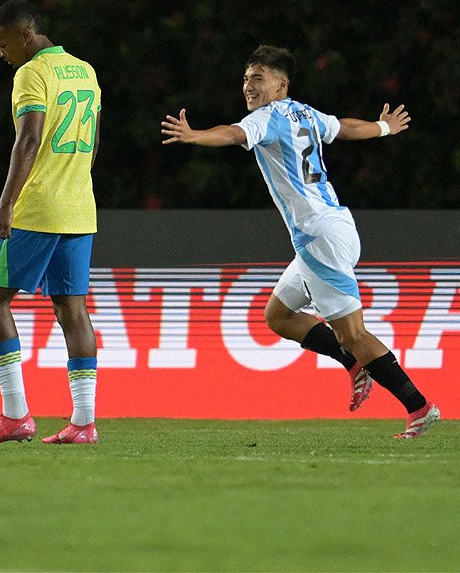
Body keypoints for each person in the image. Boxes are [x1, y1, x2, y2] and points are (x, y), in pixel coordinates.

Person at [160, 44, 439, 439]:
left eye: (258, 79)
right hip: (331, 229)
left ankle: (419, 407)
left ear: (280, 85)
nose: (249, 87)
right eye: (245, 79)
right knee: (278, 316)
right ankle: (353, 363)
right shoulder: (306, 113)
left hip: (319, 237)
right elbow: (344, 126)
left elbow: (234, 133)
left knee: (353, 334)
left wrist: (194, 136)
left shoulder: (267, 118)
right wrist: (384, 128)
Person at [0, 0, 103, 446]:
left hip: (37, 208)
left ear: (25, 36)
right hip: (79, 207)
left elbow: (28, 140)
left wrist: (5, 206)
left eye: (2, 45)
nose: (0, 54)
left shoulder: (32, 73)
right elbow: (94, 142)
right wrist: (74, 183)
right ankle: (84, 423)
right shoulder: (85, 70)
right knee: (72, 309)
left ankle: (15, 415)